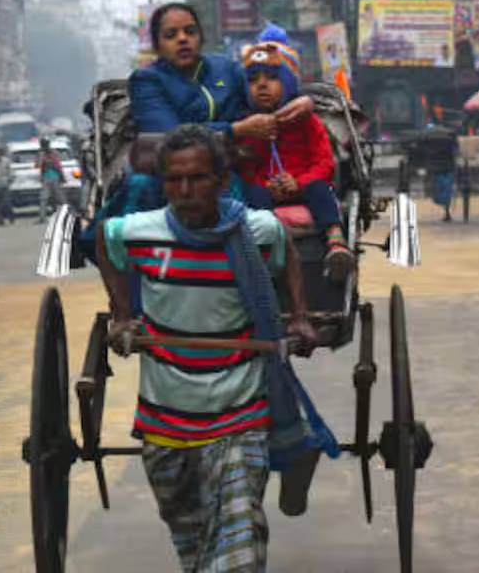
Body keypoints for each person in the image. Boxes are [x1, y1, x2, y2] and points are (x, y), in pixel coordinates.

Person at [96, 125, 317, 573]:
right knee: (192, 541)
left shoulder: (253, 230)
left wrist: (298, 315)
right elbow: (105, 238)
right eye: (174, 180)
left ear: (221, 181)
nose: (185, 190)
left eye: (197, 178)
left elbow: (287, 247)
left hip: (240, 414)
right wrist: (121, 312)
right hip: (164, 419)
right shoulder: (141, 232)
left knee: (240, 543)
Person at [236, 31, 356, 282]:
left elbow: (324, 163)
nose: (261, 84)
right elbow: (245, 166)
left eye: (271, 78)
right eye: (253, 79)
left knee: (321, 188)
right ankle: (265, 252)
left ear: (288, 82)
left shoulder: (308, 122)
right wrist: (266, 184)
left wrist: (298, 182)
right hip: (267, 192)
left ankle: (335, 241)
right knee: (250, 193)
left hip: (305, 186)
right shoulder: (247, 125)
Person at [129, 4, 314, 139]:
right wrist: (235, 130)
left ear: (201, 38)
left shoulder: (226, 68)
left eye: (190, 31)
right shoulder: (146, 80)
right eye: (171, 35)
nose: (183, 39)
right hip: (178, 175)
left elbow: (267, 92)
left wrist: (303, 100)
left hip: (238, 166)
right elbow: (169, 136)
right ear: (157, 46)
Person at [425, 125, 459, 222]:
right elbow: (455, 151)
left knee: (441, 188)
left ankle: (446, 210)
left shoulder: (430, 139)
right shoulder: (450, 139)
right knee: (446, 188)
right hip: (446, 166)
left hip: (438, 167)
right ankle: (446, 209)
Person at [36, 138, 66, 222]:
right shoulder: (43, 153)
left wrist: (61, 176)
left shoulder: (52, 152)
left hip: (51, 177)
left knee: (57, 198)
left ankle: (65, 215)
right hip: (49, 177)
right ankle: (43, 217)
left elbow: (57, 165)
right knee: (46, 198)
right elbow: (38, 165)